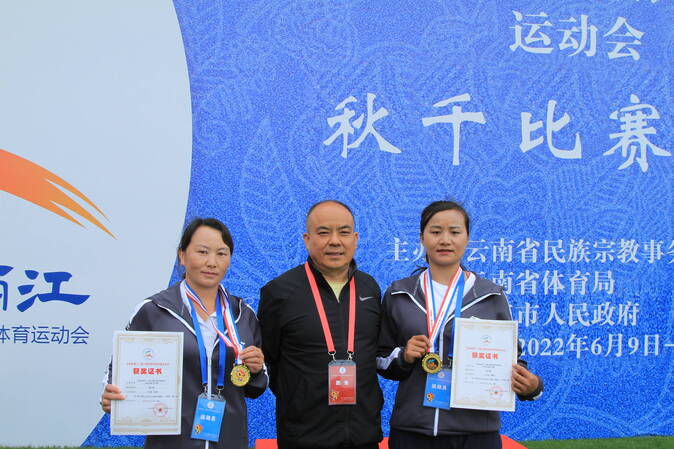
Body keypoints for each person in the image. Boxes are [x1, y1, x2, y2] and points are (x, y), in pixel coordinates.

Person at [377, 201, 543, 449]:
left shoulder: (490, 295)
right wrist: (404, 356)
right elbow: (380, 358)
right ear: (422, 237)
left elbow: (510, 360)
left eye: (455, 232)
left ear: (467, 239)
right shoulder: (399, 294)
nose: (445, 240)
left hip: (476, 434)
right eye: (435, 231)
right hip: (412, 431)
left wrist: (532, 386)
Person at [100, 218, 268, 449]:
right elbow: (117, 373)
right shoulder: (155, 310)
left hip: (229, 441)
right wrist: (112, 395)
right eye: (202, 252)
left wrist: (256, 370)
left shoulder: (243, 314)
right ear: (182, 256)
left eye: (221, 253)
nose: (212, 262)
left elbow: (255, 388)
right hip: (171, 442)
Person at [258, 200, 383, 449]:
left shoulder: (369, 287)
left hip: (364, 436)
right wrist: (299, 398)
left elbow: (376, 353)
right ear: (307, 239)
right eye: (324, 232)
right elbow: (267, 361)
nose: (335, 241)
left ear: (355, 239)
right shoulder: (280, 292)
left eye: (344, 232)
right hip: (304, 438)